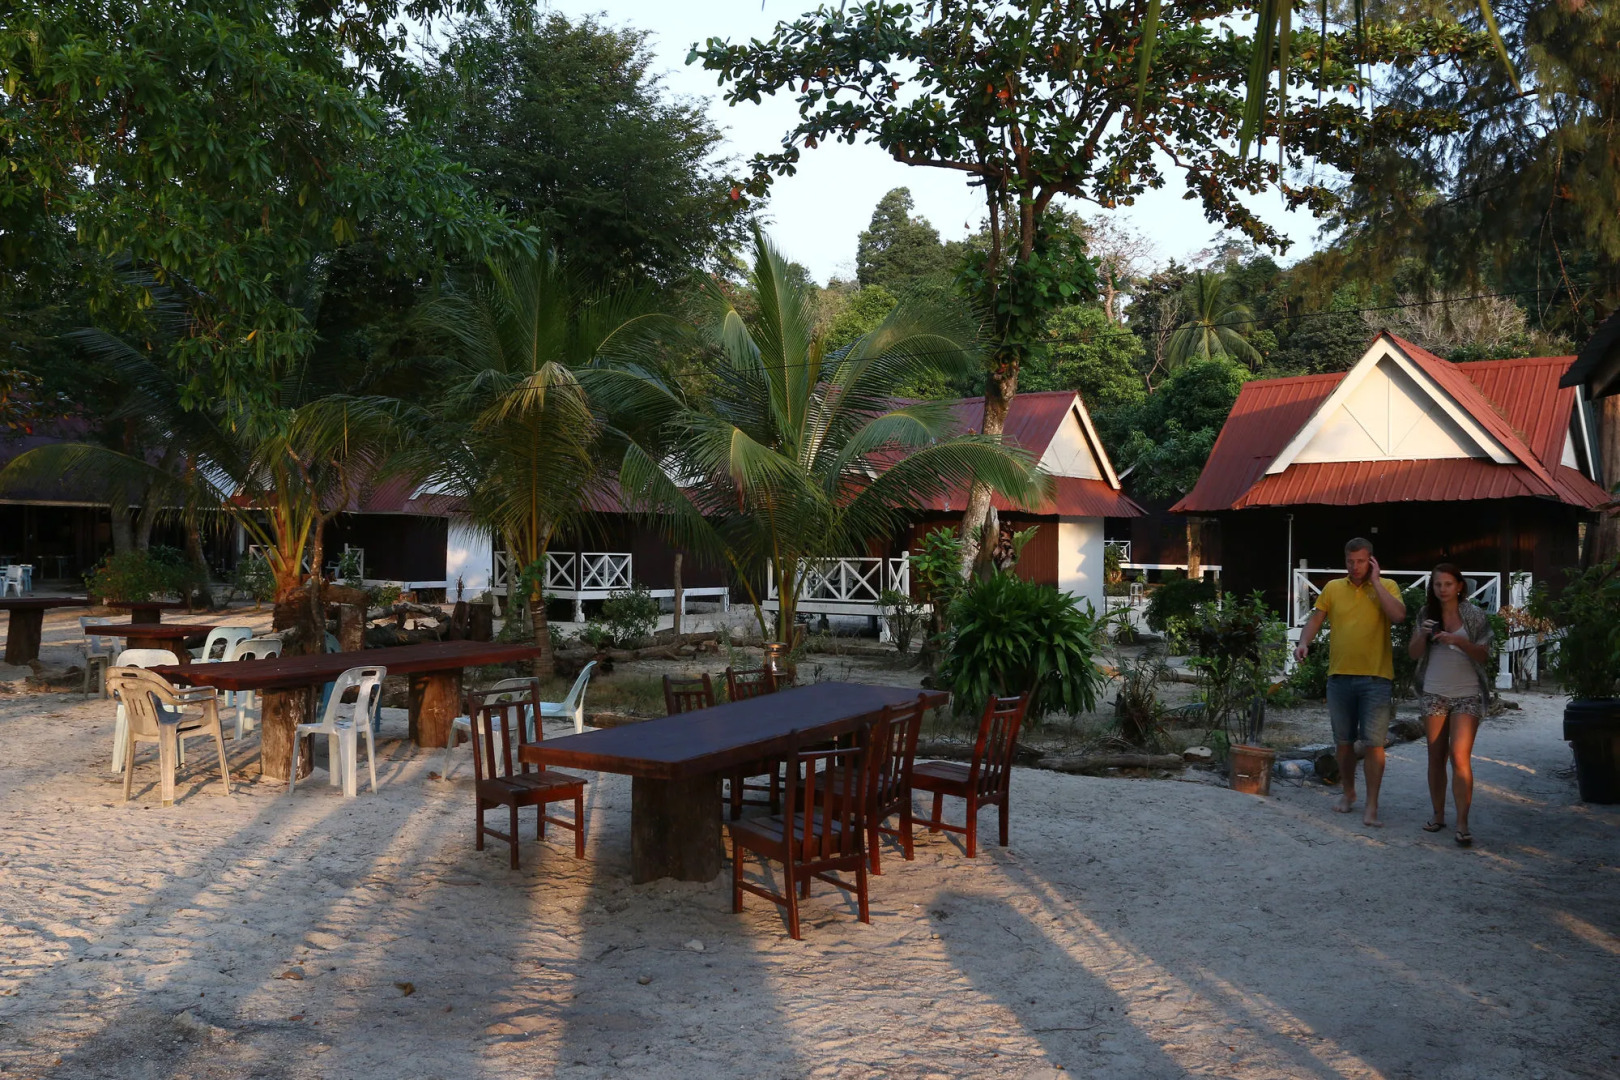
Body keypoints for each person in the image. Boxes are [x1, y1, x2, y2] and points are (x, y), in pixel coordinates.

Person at [1294, 537, 1406, 827]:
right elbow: (1316, 619)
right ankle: (1349, 793)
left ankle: (1372, 805)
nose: (1355, 567)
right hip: (1340, 677)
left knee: (1373, 745)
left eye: (1361, 561)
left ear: (1371, 561)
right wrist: (1304, 642)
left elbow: (1398, 617)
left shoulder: (1388, 586)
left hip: (1376, 678)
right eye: (1350, 561)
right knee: (1343, 742)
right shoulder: (1333, 588)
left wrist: (1377, 582)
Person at [1407, 564, 1494, 847]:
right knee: (1436, 756)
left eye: (1447, 584)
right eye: (1436, 584)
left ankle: (1462, 823)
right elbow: (1413, 654)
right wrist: (1422, 634)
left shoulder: (1474, 615)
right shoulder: (1426, 615)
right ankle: (1438, 815)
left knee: (1459, 756)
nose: (1441, 589)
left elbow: (1484, 655)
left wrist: (1456, 640)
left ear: (1459, 586)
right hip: (1434, 691)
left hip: (1467, 692)